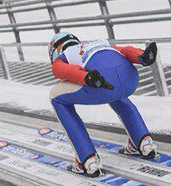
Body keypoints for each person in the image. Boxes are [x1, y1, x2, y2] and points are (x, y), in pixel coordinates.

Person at [47, 33, 159, 177]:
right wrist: (141, 56)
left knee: (56, 97)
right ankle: (143, 142)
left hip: (99, 84)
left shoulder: (66, 54)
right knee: (116, 93)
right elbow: (124, 51)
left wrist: (85, 77)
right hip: (130, 78)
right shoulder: (96, 43)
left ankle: (87, 160)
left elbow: (60, 70)